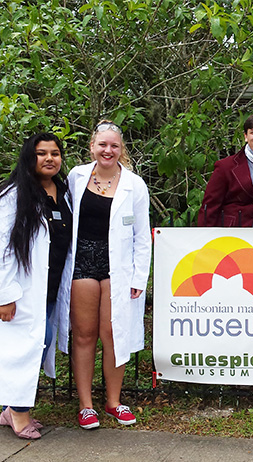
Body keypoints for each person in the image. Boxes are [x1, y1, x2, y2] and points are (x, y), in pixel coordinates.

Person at [67, 120, 151, 429]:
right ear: (92, 147)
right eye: (102, 144)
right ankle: (86, 405)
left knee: (114, 335)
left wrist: (138, 278)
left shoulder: (134, 184)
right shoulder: (76, 177)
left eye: (114, 145)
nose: (108, 150)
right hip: (81, 266)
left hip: (118, 268)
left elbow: (143, 237)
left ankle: (114, 401)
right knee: (85, 335)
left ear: (121, 150)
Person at [0, 133, 72, 440]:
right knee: (25, 348)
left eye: (55, 153)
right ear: (30, 157)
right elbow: (2, 247)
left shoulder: (63, 191)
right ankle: (18, 413)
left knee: (38, 345)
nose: (49, 159)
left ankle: (8, 409)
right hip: (24, 291)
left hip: (51, 287)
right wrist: (5, 295)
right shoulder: (14, 195)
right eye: (41, 153)